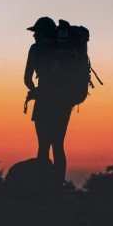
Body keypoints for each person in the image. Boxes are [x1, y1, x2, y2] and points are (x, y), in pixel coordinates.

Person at [24, 16, 72, 190]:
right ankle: (58, 191)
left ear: (41, 33)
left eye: (36, 32)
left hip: (43, 100)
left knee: (43, 146)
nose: (34, 35)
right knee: (58, 146)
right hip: (63, 102)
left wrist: (36, 91)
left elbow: (27, 79)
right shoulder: (60, 50)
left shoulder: (35, 49)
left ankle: (41, 191)